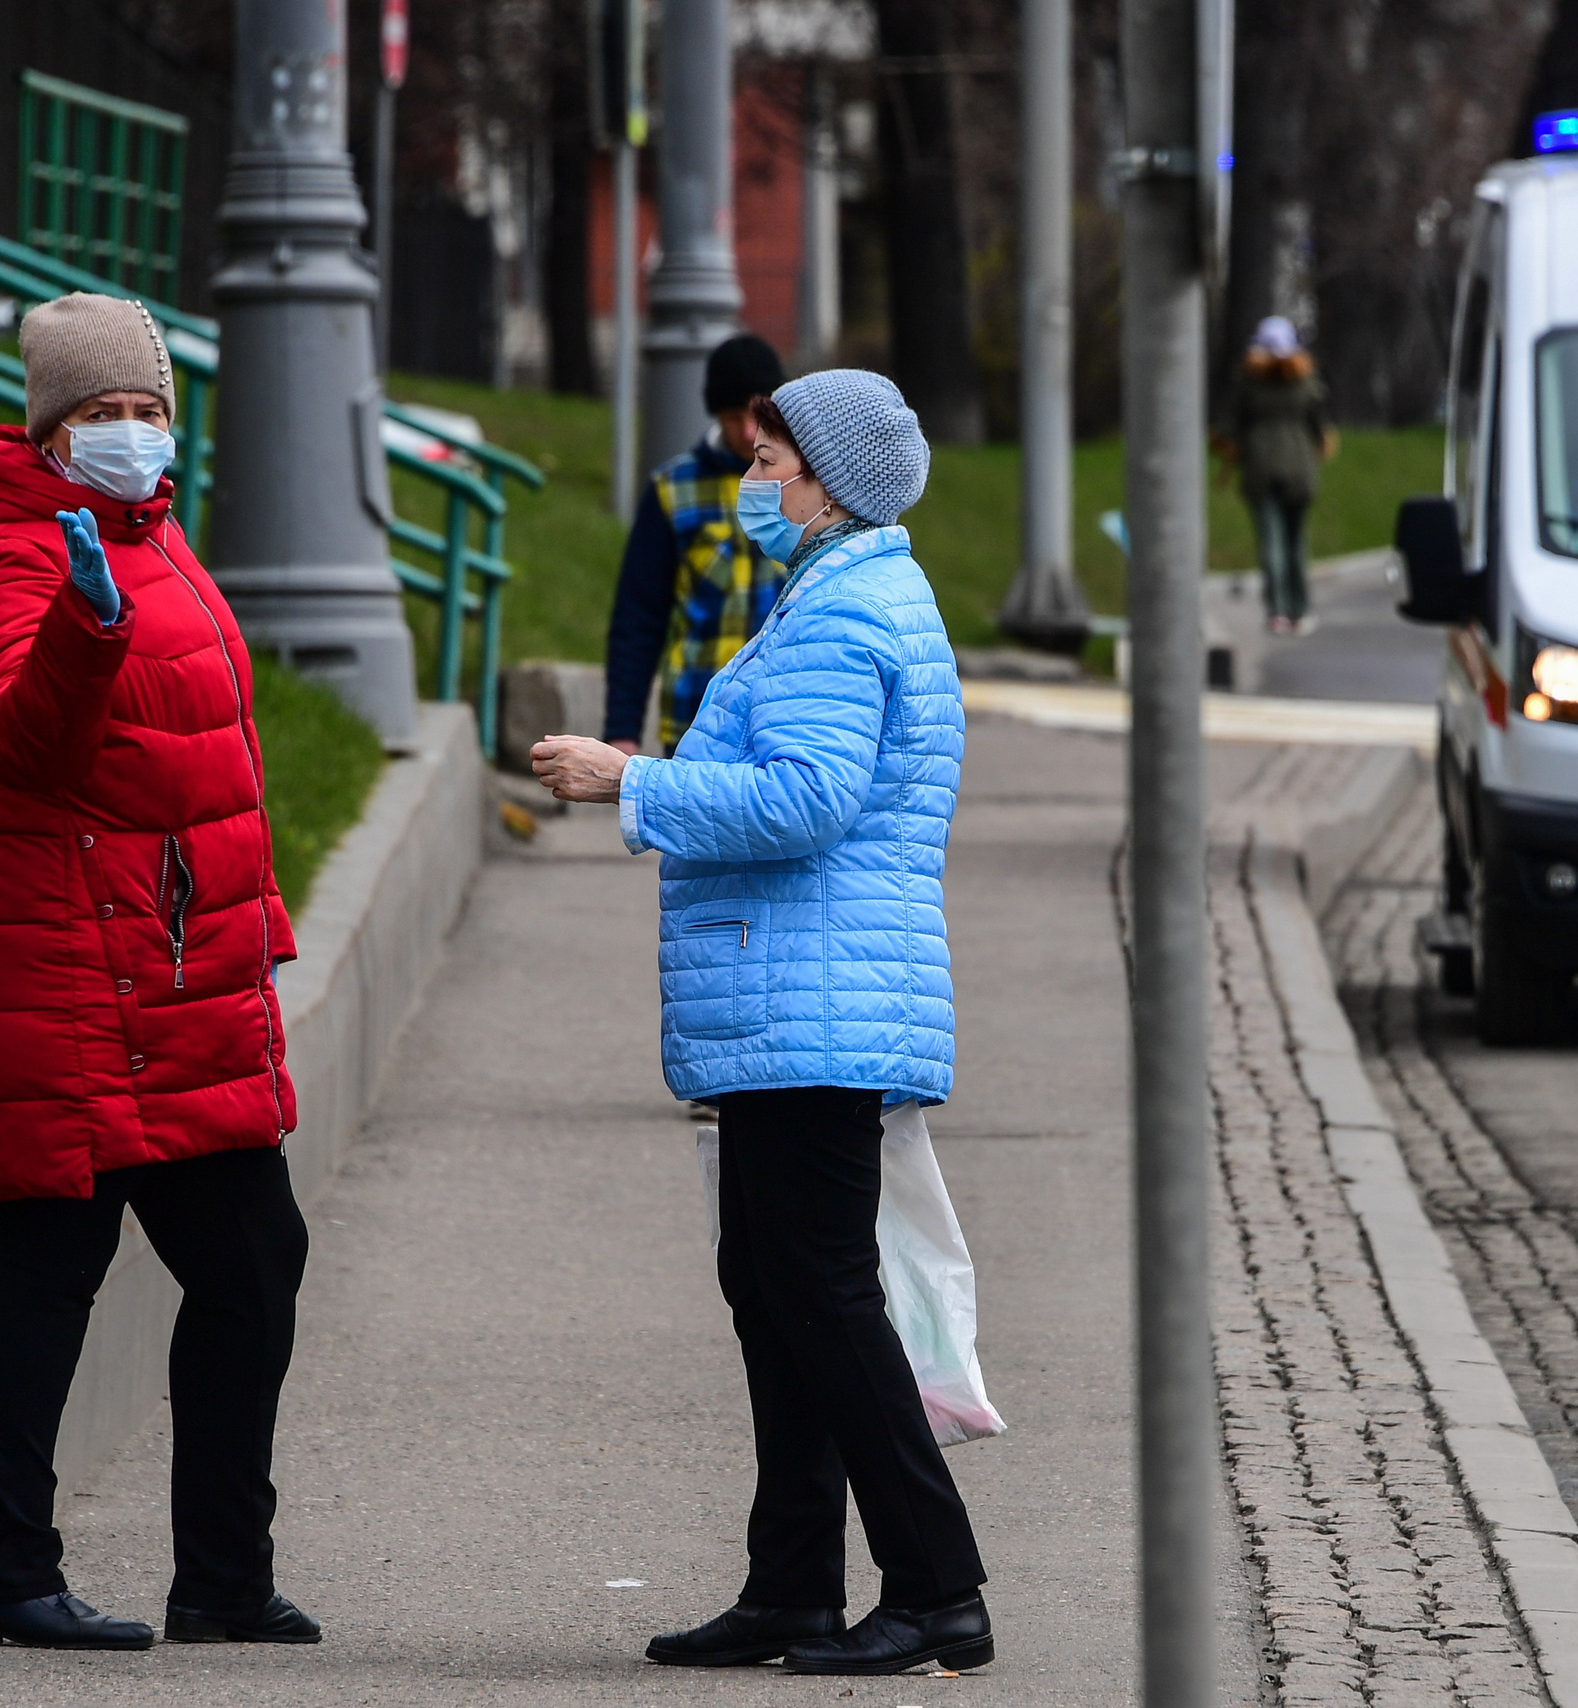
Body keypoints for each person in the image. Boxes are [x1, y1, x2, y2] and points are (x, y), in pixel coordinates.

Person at [529, 370, 993, 1678]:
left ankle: (938, 1589)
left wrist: (634, 779)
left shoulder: (846, 613)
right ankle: (793, 1585)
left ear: (830, 479)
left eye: (769, 454)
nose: (751, 474)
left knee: (824, 1294)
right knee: (779, 1288)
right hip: (804, 997)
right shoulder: (837, 591)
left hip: (818, 1000)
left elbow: (803, 801)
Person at [0, 292, 318, 1651]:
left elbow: (205, 767)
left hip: (169, 967)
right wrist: (82, 630)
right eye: (104, 415)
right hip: (62, 964)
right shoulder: (11, 557)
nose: (135, 434)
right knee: (51, 1261)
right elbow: (23, 743)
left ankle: (220, 1576)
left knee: (254, 1259)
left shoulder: (152, 537)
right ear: (50, 431)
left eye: (152, 411)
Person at [602, 333, 789, 755]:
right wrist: (622, 729)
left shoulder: (805, 484)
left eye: (756, 416)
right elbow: (639, 617)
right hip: (696, 725)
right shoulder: (672, 490)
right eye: (731, 416)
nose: (745, 431)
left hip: (787, 717)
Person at [1218, 315, 1335, 634]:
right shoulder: (1305, 381)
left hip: (1259, 467)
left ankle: (1278, 611)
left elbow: (1228, 429)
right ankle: (1299, 609)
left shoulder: (1247, 383)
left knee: (1271, 541)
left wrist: (1230, 448)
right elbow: (1320, 426)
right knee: (1296, 542)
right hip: (1300, 468)